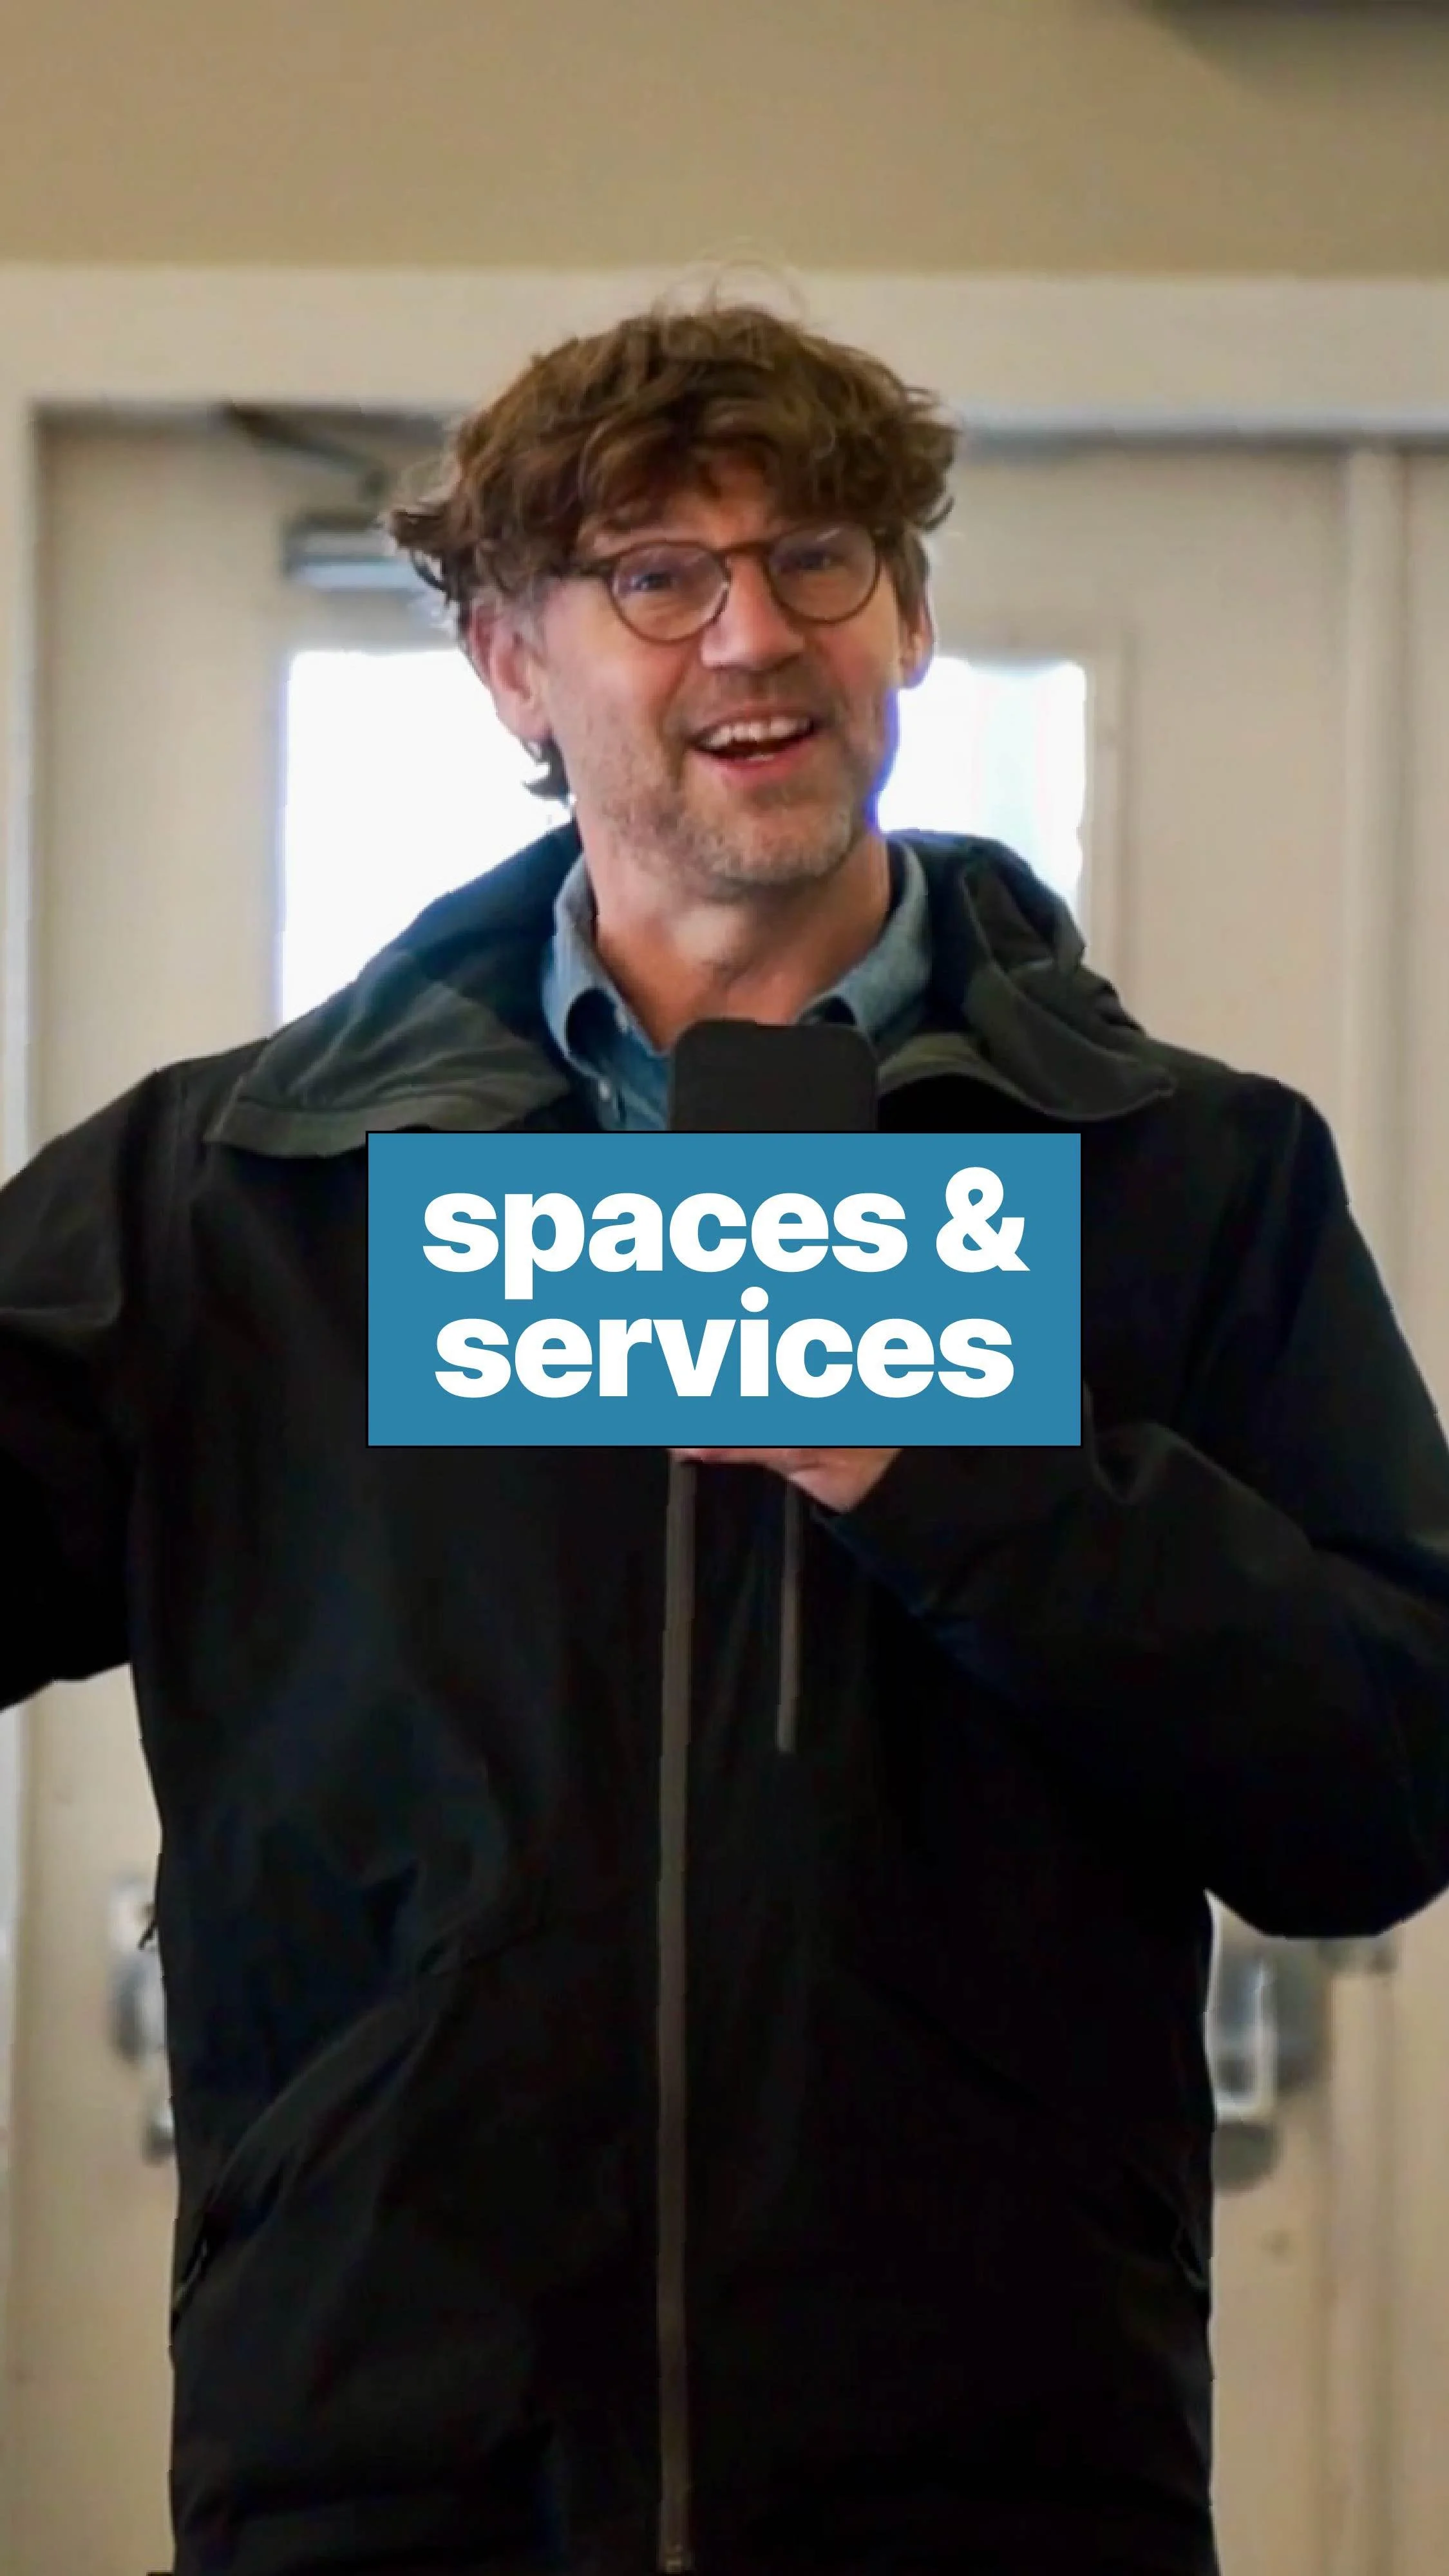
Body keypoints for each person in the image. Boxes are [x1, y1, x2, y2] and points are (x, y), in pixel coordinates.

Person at [3, 296, 1448, 2576]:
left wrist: (968, 1470)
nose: (754, 634)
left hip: (993, 2490)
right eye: (656, 575)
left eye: (819, 559)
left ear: (909, 618)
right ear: (511, 664)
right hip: (384, 2476)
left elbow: (1383, 1789)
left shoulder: (1188, 1180)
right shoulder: (240, 1200)